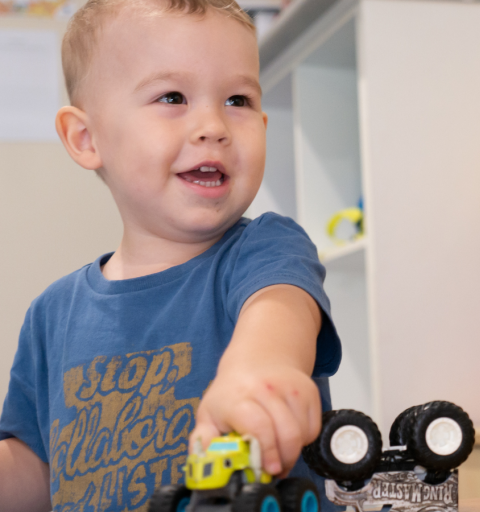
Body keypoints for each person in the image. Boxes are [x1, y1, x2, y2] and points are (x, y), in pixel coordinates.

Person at [0, 1, 342, 510]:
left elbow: (280, 316)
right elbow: (36, 472)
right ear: (86, 137)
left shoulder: (265, 249)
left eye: (238, 100)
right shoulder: (51, 315)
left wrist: (256, 373)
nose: (213, 125)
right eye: (173, 96)